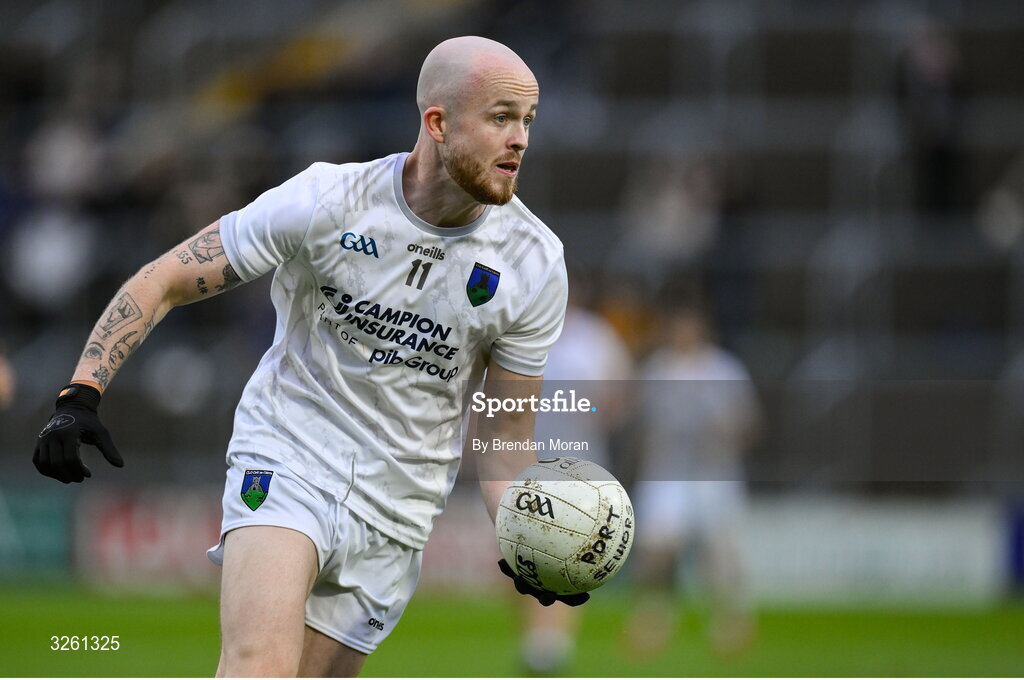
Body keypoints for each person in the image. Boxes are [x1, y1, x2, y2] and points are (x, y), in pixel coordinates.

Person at [32, 36, 586, 677]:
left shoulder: (535, 262)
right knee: (258, 667)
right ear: (437, 122)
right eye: (500, 118)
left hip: (399, 511)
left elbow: (506, 440)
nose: (519, 138)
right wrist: (81, 394)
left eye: (527, 121)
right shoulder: (329, 200)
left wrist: (527, 539)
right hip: (289, 457)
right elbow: (166, 279)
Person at [625, 299, 761, 656]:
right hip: (666, 471)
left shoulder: (724, 369)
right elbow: (641, 423)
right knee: (656, 549)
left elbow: (748, 422)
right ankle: (654, 617)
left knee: (718, 550)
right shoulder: (656, 369)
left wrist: (724, 434)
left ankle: (730, 619)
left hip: (714, 471)